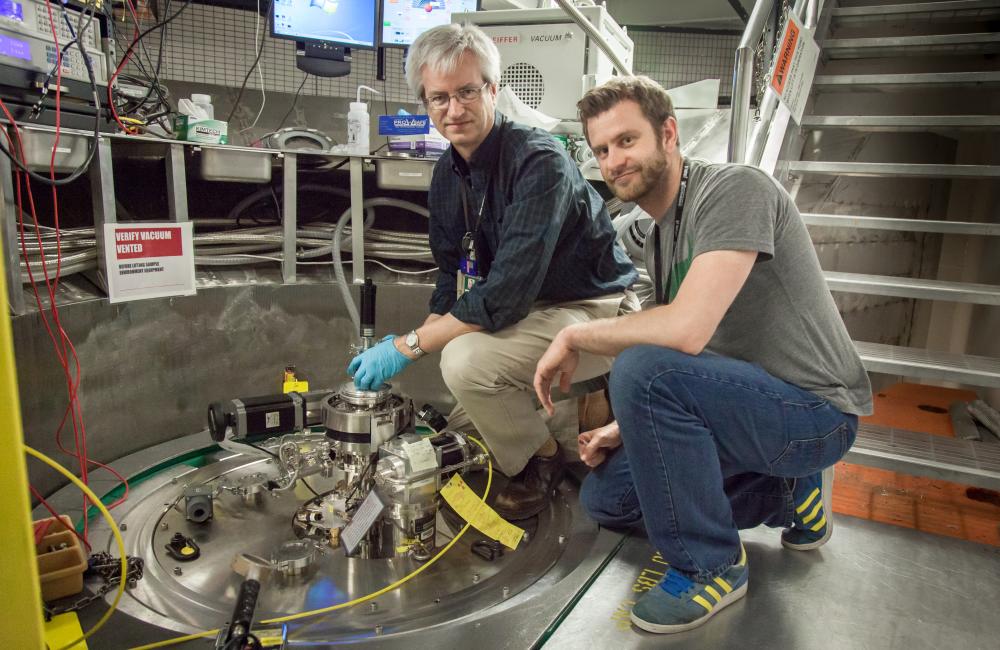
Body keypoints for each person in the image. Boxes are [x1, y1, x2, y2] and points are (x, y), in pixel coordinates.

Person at [533, 76, 873, 633]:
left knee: (640, 367)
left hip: (815, 413)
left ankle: (711, 566)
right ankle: (787, 493)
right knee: (607, 499)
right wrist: (623, 430)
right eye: (601, 150)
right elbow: (702, 350)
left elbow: (686, 333)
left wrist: (573, 337)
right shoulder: (660, 233)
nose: (613, 161)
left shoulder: (736, 190)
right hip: (746, 406)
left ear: (668, 133)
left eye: (626, 140)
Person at [347, 24, 638, 520]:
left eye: (466, 91)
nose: (453, 110)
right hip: (532, 313)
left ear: (493, 90)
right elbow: (451, 277)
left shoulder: (538, 161)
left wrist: (409, 345)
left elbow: (504, 294)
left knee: (464, 363)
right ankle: (524, 441)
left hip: (593, 313)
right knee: (460, 391)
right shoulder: (446, 176)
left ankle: (538, 463)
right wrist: (423, 335)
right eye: (438, 98)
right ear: (424, 102)